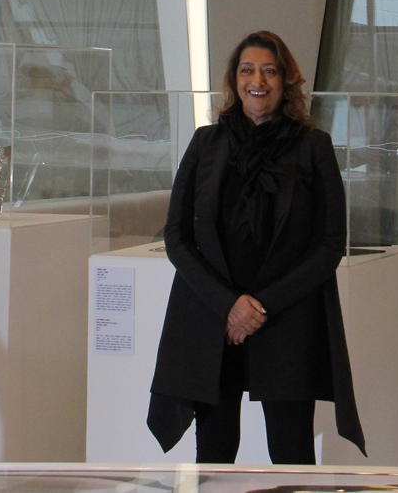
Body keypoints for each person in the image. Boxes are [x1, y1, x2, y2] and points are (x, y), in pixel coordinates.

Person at [147, 30, 365, 465]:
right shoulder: (205, 142)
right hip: (212, 320)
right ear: (235, 80)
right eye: (247, 70)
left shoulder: (313, 147)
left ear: (286, 81)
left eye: (269, 70)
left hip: (286, 320)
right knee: (213, 453)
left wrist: (257, 309)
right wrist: (228, 306)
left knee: (291, 453)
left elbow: (328, 245)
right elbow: (175, 235)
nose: (257, 79)